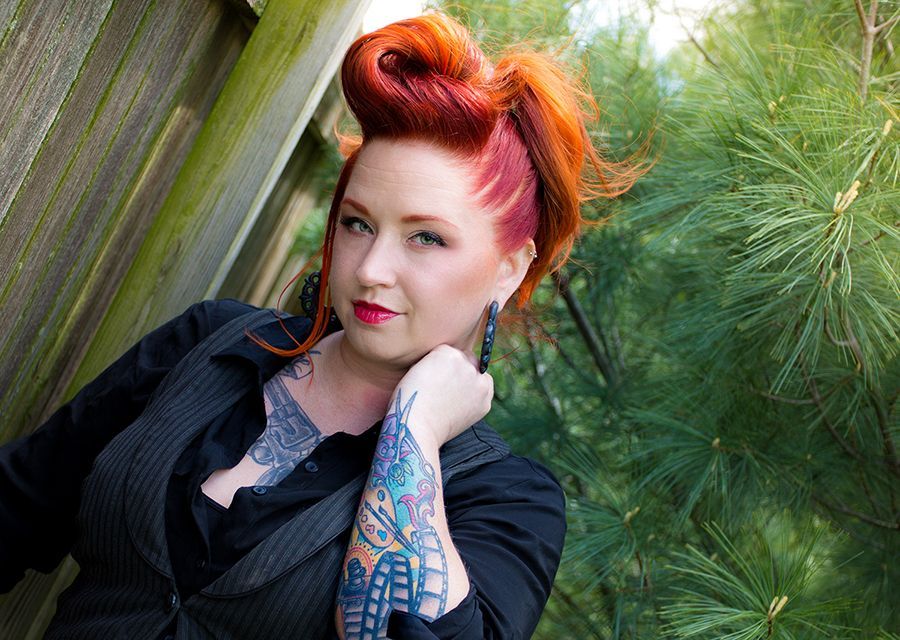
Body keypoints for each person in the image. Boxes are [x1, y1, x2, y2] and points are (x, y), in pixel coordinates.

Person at [0, 11, 642, 640]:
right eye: (359, 223)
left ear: (508, 269)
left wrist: (413, 429)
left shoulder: (504, 499)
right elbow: (19, 503)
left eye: (425, 237)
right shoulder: (211, 345)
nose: (371, 270)